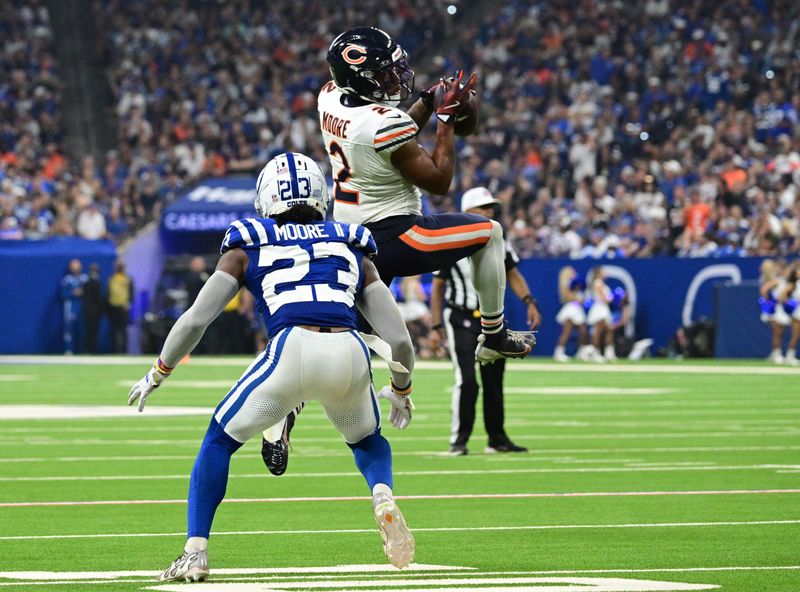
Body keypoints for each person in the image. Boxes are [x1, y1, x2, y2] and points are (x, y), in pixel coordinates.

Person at [127, 153, 417, 581]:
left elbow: (196, 318)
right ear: (320, 195)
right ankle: (382, 494)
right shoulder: (350, 243)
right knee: (366, 441)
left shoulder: (248, 242)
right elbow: (399, 339)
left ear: (267, 196)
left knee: (219, 440)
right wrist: (402, 386)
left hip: (292, 347)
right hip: (352, 351)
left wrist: (159, 371)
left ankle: (195, 551)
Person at [261, 26, 535, 475]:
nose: (395, 79)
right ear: (363, 78)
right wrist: (445, 120)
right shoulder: (379, 123)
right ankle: (494, 332)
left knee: (332, 340)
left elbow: (394, 132)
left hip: (350, 236)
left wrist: (427, 102)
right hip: (393, 234)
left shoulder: (330, 96)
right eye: (385, 73)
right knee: (490, 233)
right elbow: (439, 179)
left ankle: (282, 414)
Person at [428, 187, 542, 456]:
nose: (490, 211)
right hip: (460, 316)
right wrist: (435, 327)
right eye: (484, 208)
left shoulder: (497, 237)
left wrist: (529, 301)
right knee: (467, 379)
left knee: (494, 380)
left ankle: (497, 438)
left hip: (493, 319)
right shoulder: (452, 240)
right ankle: (459, 441)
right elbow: (437, 286)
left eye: (491, 207)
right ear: (468, 212)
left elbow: (512, 272)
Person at [553, 266, 589, 362]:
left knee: (583, 331)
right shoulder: (567, 284)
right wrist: (577, 298)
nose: (574, 273)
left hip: (577, 309)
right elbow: (566, 297)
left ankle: (581, 352)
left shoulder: (576, 284)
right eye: (572, 272)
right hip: (570, 309)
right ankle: (558, 352)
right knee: (566, 331)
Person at [759, 259, 790, 363]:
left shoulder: (785, 281)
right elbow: (764, 289)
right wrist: (768, 303)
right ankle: (776, 354)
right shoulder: (778, 280)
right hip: (776, 310)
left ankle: (775, 353)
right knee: (777, 333)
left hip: (782, 309)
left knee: (779, 333)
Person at [586, 267, 616, 362]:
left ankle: (609, 353)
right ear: (599, 273)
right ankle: (595, 353)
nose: (605, 273)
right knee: (598, 331)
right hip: (599, 309)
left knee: (609, 330)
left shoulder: (601, 283)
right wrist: (612, 298)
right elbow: (604, 298)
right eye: (603, 272)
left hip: (604, 309)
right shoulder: (598, 283)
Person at [61, 259, 87, 354]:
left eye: (77, 266)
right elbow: (63, 294)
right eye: (73, 266)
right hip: (71, 307)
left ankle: (82, 350)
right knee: (69, 329)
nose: (76, 268)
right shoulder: (67, 280)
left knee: (82, 330)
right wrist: (73, 293)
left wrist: (83, 293)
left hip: (82, 307)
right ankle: (69, 350)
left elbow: (91, 294)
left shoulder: (85, 279)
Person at [107, 260, 133, 353]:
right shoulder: (112, 278)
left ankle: (123, 350)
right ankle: (113, 350)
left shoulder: (127, 278)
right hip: (113, 306)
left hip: (123, 307)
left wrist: (129, 303)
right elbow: (109, 292)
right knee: (113, 330)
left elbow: (131, 292)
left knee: (123, 330)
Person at [83, 263, 105, 354]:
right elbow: (99, 298)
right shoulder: (95, 282)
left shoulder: (87, 282)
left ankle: (89, 349)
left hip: (88, 310)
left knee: (89, 331)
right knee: (92, 331)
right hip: (94, 311)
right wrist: (101, 310)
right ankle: (91, 350)